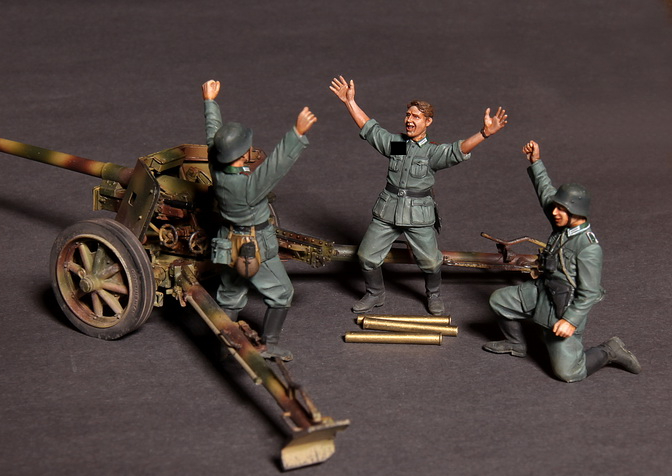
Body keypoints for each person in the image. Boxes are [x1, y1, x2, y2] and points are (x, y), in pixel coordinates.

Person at [329, 75, 508, 315]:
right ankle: (375, 293)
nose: (409, 120)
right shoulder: (399, 145)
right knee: (366, 256)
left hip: (418, 215)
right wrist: (350, 102)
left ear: (428, 121)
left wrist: (484, 134)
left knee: (431, 262)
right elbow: (371, 130)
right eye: (408, 115)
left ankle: (433, 295)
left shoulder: (432, 153)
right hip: (388, 211)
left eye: (416, 117)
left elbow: (457, 151)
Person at [483, 140, 640, 382]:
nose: (554, 212)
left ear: (576, 212)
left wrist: (570, 321)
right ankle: (516, 343)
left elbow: (589, 293)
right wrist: (536, 162)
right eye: (556, 207)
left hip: (563, 306)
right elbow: (545, 192)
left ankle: (610, 350)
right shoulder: (562, 225)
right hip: (541, 291)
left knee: (569, 373)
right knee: (499, 301)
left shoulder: (588, 248)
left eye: (560, 209)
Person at [202, 79, 317, 362]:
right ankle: (269, 344)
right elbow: (276, 166)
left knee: (230, 296)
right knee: (282, 294)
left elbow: (213, 136)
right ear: (244, 155)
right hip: (254, 246)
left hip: (227, 244)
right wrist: (296, 134)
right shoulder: (249, 187)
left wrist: (210, 102)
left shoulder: (215, 167)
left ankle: (225, 346)